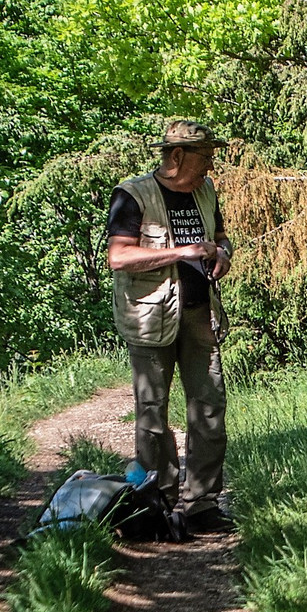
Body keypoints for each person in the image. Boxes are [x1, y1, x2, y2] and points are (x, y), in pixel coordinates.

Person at [105, 120, 235, 535]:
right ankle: (156, 503)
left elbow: (220, 236)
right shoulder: (132, 194)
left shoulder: (206, 189)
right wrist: (181, 252)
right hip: (149, 316)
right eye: (205, 156)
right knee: (152, 413)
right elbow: (119, 258)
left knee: (209, 406)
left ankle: (202, 504)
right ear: (176, 156)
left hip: (200, 313)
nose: (211, 164)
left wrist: (224, 255)